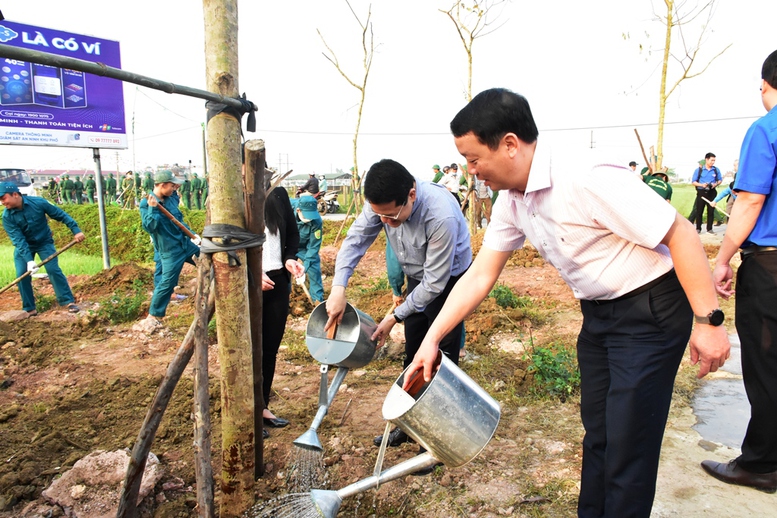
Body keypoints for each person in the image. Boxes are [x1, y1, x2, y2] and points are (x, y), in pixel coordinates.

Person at [403, 88, 730, 516]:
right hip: (598, 316)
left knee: (629, 442)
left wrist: (708, 322)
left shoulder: (585, 175)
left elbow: (681, 233)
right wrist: (432, 338)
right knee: (599, 434)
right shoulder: (512, 201)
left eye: (473, 158)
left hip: (651, 309)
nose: (470, 171)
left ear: (509, 145)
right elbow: (481, 274)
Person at [325, 159, 471, 469]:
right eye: (380, 216)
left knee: (440, 358)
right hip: (418, 276)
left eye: (392, 216)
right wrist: (338, 287)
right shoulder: (382, 204)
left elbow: (435, 283)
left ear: (412, 195)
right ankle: (409, 426)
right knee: (413, 351)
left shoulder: (440, 215)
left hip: (451, 280)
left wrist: (395, 315)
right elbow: (355, 241)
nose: (386, 223)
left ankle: (433, 444)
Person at [702, 49, 777, 494]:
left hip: (771, 267)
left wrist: (723, 257)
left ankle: (762, 463)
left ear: (768, 85)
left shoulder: (766, 128)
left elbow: (749, 201)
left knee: (768, 366)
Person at [260, 171, 305, 432]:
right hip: (246, 283)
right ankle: (247, 410)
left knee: (270, 346)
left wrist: (289, 258)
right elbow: (226, 247)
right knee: (248, 350)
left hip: (277, 281)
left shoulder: (277, 194)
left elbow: (291, 234)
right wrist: (252, 275)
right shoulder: (231, 197)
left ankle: (263, 405)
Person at [0, 181, 85, 315]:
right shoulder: (6, 217)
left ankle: (67, 301)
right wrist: (29, 260)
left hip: (44, 242)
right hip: (24, 246)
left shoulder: (38, 203)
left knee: (53, 269)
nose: (2, 202)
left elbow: (61, 215)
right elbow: (19, 240)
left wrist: (76, 230)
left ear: (15, 194)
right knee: (22, 275)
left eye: (3, 198)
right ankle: (29, 309)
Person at [139, 170, 200, 324]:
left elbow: (178, 216)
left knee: (209, 258)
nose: (174, 188)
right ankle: (154, 315)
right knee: (167, 282)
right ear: (162, 185)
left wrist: (193, 237)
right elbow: (150, 227)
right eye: (171, 185)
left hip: (185, 243)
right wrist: (153, 209)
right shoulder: (146, 203)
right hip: (170, 250)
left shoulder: (171, 197)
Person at [294, 194, 324, 303]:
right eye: (307, 216)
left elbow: (313, 246)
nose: (310, 219)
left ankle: (317, 302)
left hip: (303, 248)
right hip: (285, 246)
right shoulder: (287, 211)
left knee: (314, 267)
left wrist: (304, 268)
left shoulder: (316, 221)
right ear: (298, 210)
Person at [691, 152, 722, 234]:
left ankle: (709, 229)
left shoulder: (715, 170)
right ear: (706, 159)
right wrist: (702, 185)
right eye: (711, 160)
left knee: (711, 211)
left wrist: (716, 184)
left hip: (712, 192)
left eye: (714, 160)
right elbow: (693, 182)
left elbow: (720, 180)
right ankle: (698, 228)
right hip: (701, 192)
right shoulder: (699, 170)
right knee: (699, 211)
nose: (713, 162)